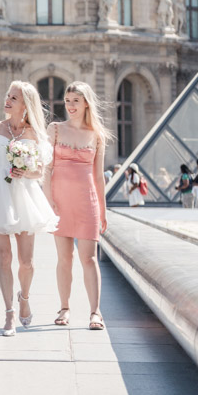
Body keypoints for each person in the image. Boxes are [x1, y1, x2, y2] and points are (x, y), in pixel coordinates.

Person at [0, 81, 58, 336]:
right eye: (8, 96)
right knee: (4, 257)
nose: (7, 101)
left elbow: (40, 172)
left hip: (25, 198)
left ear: (26, 105)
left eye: (14, 98)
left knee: (26, 262)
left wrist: (26, 171)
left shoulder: (34, 135)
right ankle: (9, 313)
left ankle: (25, 297)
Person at [44, 82, 110, 331]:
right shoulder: (55, 129)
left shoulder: (97, 134)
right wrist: (48, 200)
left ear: (86, 104)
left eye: (75, 101)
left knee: (89, 259)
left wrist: (103, 210)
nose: (70, 105)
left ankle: (95, 312)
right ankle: (64, 307)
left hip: (87, 201)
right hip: (59, 201)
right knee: (64, 258)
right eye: (67, 100)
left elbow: (99, 176)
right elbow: (47, 169)